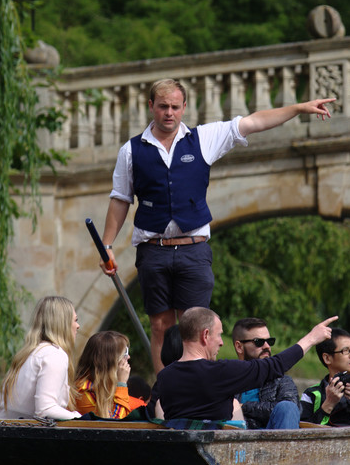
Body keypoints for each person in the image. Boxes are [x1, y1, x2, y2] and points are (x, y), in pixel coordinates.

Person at [99, 78, 336, 372]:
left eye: (175, 106)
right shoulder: (131, 150)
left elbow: (254, 122)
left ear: (184, 107)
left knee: (197, 329)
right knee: (161, 326)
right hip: (154, 249)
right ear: (151, 107)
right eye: (162, 107)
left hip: (193, 250)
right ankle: (165, 392)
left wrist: (300, 108)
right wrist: (107, 245)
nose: (169, 113)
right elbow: (120, 198)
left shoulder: (204, 138)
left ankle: (195, 389)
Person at [150, 307, 337, 426]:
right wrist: (311, 338)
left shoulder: (165, 377)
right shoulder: (220, 372)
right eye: (219, 335)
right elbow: (276, 365)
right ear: (205, 335)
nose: (222, 343)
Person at [0, 296, 82, 420]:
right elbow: (46, 409)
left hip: (1, 432)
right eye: (75, 320)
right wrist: (80, 418)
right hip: (19, 436)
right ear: (63, 323)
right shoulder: (54, 354)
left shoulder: (28, 353)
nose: (78, 326)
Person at [232, 317, 301, 429]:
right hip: (235, 440)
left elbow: (291, 411)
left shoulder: (282, 380)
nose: (267, 347)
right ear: (239, 347)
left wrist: (243, 407)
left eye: (269, 341)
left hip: (273, 439)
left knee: (287, 407)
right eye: (259, 342)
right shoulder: (228, 379)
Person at [72, 331, 138, 419]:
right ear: (109, 361)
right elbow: (115, 424)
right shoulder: (83, 392)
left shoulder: (104, 386)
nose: (128, 357)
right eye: (124, 354)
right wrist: (121, 384)